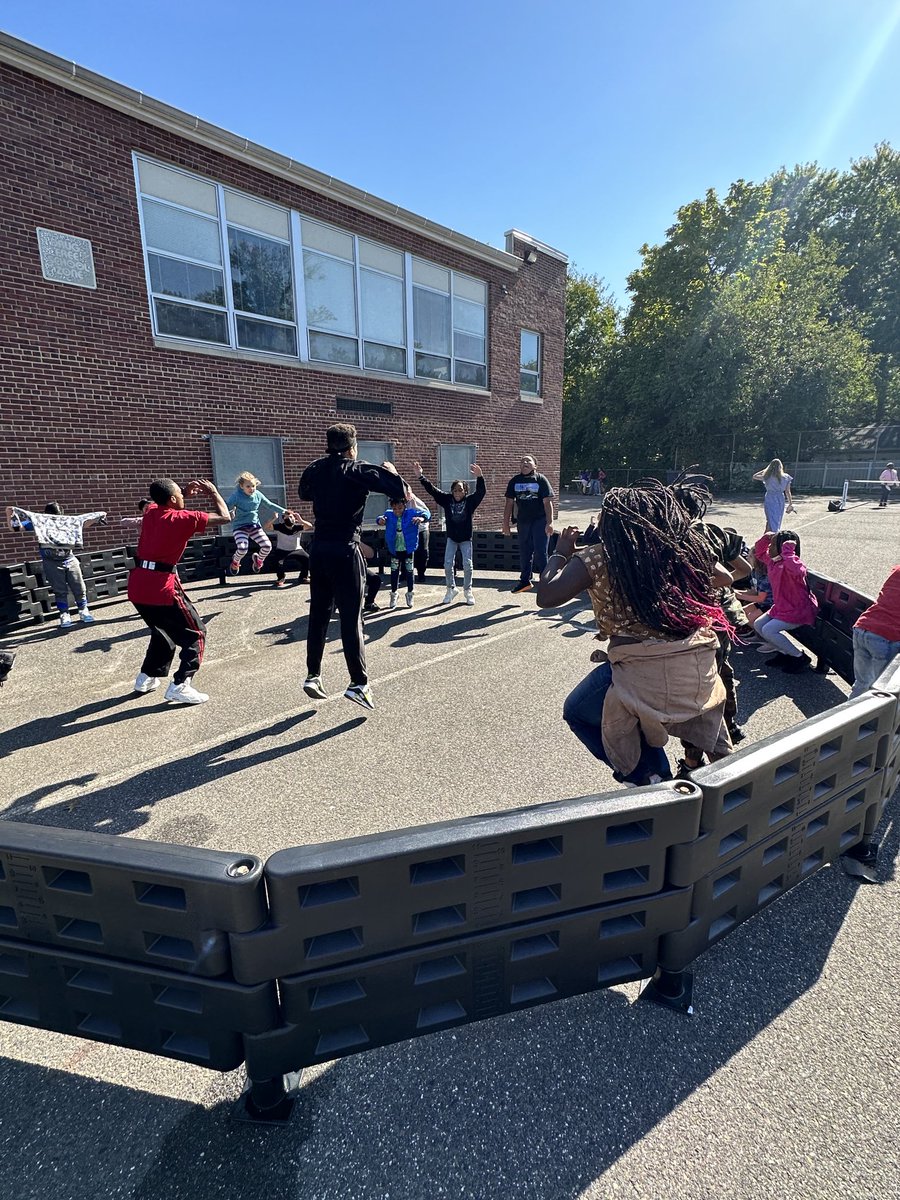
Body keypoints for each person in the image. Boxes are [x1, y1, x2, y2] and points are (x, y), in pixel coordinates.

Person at [535, 481, 734, 785]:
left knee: (576, 711)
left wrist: (560, 554)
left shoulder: (598, 557)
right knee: (633, 712)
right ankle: (665, 776)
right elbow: (725, 576)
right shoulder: (679, 550)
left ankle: (649, 777)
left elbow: (546, 596)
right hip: (693, 666)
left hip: (642, 673)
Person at [298, 422, 406, 711]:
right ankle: (358, 683)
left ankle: (313, 674)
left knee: (318, 613)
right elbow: (401, 491)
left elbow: (304, 493)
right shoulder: (357, 468)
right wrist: (391, 472)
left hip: (318, 549)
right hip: (345, 548)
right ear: (352, 447)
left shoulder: (315, 468)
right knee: (351, 617)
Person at [127, 477, 231, 704]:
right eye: (181, 495)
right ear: (173, 499)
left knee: (162, 631)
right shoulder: (182, 518)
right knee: (196, 633)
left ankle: (146, 677)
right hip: (161, 586)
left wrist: (181, 492)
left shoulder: (151, 511)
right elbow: (225, 517)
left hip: (137, 586)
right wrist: (213, 492)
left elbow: (163, 500)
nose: (184, 497)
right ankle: (181, 684)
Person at [6, 501, 107, 628]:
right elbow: (16, 528)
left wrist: (97, 517)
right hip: (51, 560)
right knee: (60, 590)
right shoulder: (40, 521)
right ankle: (64, 614)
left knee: (79, 586)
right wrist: (10, 514)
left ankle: (83, 610)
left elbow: (83, 523)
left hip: (69, 557)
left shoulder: (67, 521)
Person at [414, 460, 486, 605]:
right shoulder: (447, 500)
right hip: (452, 537)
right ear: (451, 491)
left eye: (460, 490)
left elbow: (481, 492)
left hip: (465, 538)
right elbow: (433, 490)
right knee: (448, 563)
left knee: (467, 564)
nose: (457, 493)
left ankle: (467, 590)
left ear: (465, 491)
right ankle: (451, 589)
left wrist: (480, 477)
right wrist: (421, 477)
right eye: (455, 490)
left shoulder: (470, 501)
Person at [752, 530, 818, 672]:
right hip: (782, 608)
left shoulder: (793, 563)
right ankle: (784, 653)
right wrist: (765, 539)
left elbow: (798, 572)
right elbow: (759, 553)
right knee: (758, 625)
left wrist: (788, 553)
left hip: (798, 610)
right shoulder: (773, 562)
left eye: (773, 545)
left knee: (769, 630)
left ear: (782, 547)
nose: (770, 548)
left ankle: (799, 657)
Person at [503, 455, 554, 593]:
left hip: (539, 520)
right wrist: (505, 524)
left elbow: (547, 502)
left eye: (528, 461)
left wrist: (549, 522)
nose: (524, 463)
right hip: (523, 521)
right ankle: (525, 581)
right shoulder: (514, 481)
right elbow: (509, 503)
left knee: (540, 551)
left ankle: (545, 582)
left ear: (535, 465)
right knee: (525, 551)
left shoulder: (540, 480)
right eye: (522, 461)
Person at [849, 566, 900, 697]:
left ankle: (851, 716)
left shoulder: (897, 569)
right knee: (883, 694)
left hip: (863, 627)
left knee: (861, 684)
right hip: (887, 637)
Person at [226, 471, 286, 575]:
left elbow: (270, 505)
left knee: (267, 546)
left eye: (253, 486)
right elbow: (226, 507)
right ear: (241, 486)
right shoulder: (236, 496)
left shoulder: (258, 495)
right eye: (248, 486)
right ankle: (235, 562)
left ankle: (258, 561)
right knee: (242, 548)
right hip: (240, 527)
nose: (251, 489)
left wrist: (284, 511)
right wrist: (229, 513)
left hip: (254, 526)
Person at [377, 496, 431, 609]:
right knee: (394, 571)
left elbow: (427, 513)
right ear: (392, 508)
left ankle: (410, 593)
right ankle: (394, 593)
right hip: (394, 549)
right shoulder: (389, 514)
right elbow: (380, 518)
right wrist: (380, 520)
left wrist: (422, 518)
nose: (397, 511)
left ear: (404, 506)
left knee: (410, 571)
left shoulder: (411, 513)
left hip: (408, 549)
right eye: (395, 508)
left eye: (400, 508)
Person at [264, 510, 313, 588]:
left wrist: (300, 520)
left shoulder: (298, 527)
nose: (289, 519)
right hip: (282, 550)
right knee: (279, 561)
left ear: (294, 518)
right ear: (283, 519)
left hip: (296, 549)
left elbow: (310, 526)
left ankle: (303, 577)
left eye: (291, 517)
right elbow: (266, 527)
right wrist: (274, 518)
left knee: (307, 559)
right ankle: (281, 578)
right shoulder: (279, 527)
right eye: (286, 518)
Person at [752, 459, 795, 532]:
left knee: (770, 518)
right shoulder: (786, 477)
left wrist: (765, 470)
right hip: (780, 498)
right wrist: (790, 503)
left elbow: (755, 476)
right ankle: (774, 531)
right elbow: (787, 491)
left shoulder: (767, 476)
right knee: (777, 517)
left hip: (770, 497)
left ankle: (771, 533)